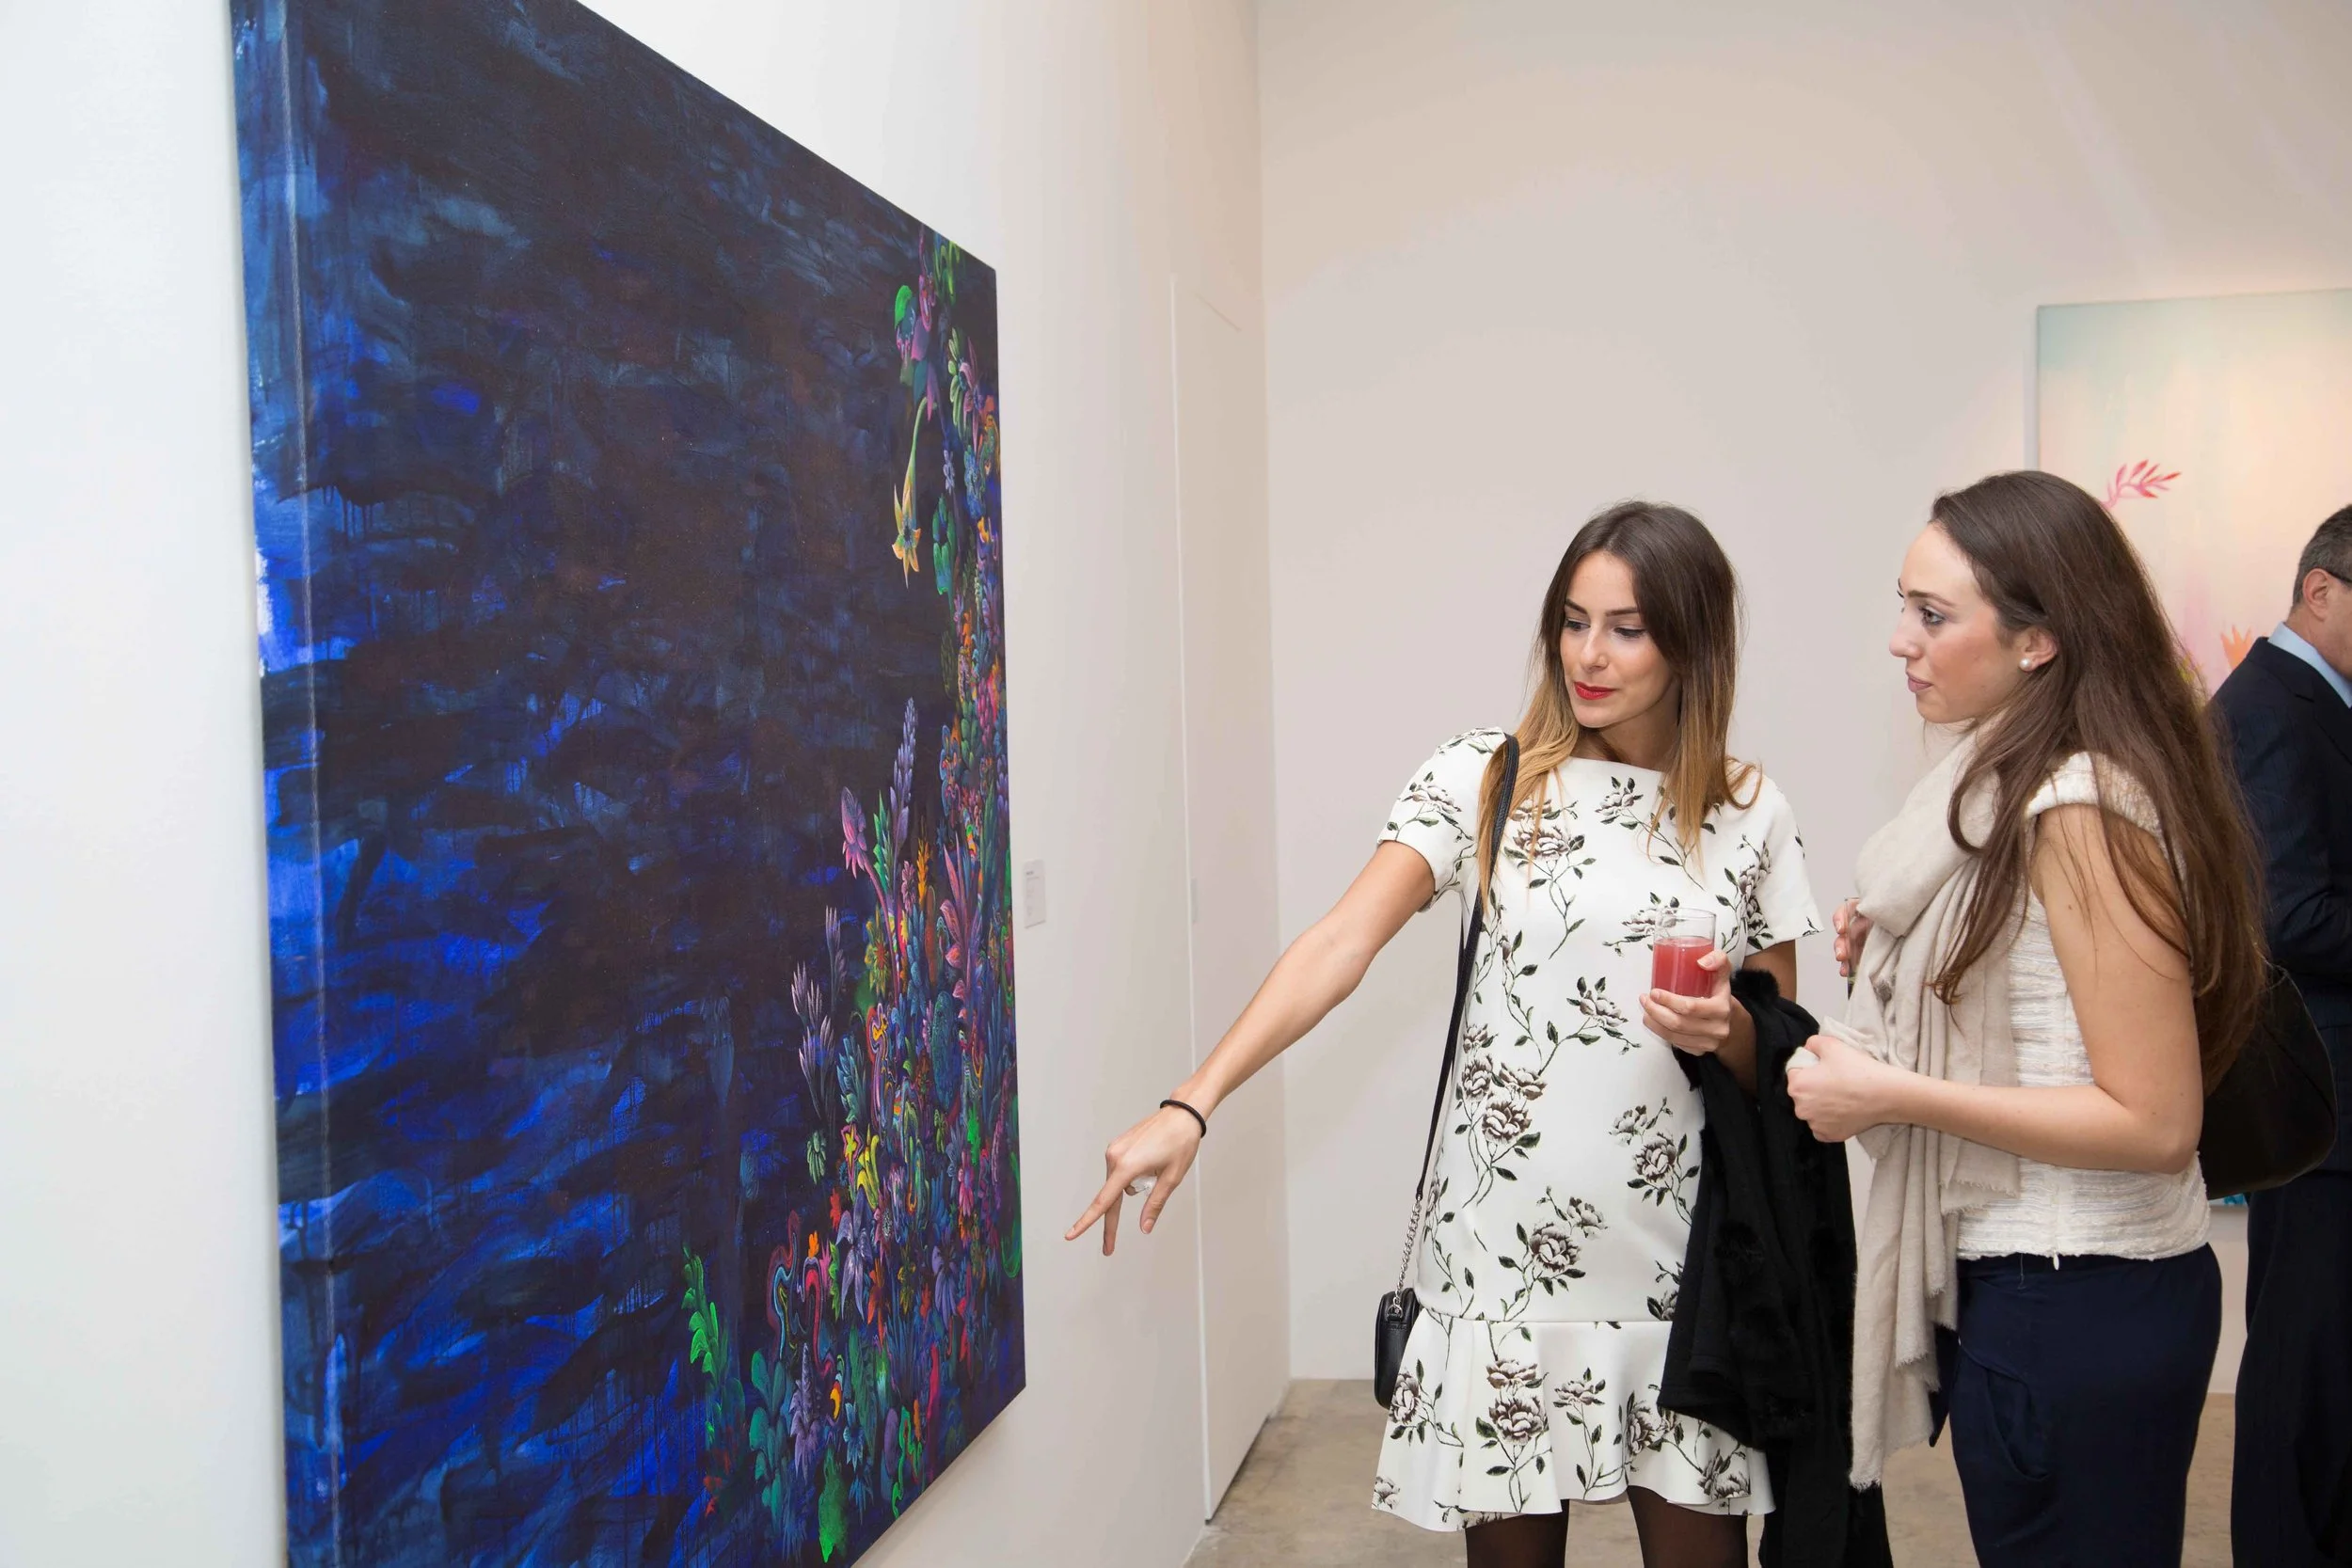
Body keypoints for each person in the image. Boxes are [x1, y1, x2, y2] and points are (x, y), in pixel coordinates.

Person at [1067, 502, 1825, 1568]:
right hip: (1503, 1261)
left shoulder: (1749, 809)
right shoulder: (1487, 775)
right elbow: (1339, 941)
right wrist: (1194, 1097)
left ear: (1693, 641)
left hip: (1678, 1271)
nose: (1588, 655)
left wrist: (1730, 1027)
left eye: (1627, 627)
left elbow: (1780, 1049)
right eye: (1571, 621)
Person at [1789, 470, 2267, 1568]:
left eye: (1933, 614)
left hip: (2075, 1298)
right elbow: (2046, 987)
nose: (1901, 642)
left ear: (2037, 641)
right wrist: (1909, 966)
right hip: (2041, 1289)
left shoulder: (2077, 809)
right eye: (1902, 605)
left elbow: (2153, 1120)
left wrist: (1889, 1091)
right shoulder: (2012, 780)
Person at [2212, 503, 2352, 1567]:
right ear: (2318, 590)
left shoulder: (2315, 701)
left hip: (2334, 1112)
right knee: (2302, 1374)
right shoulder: (2268, 705)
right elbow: (2288, 914)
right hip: (2320, 1110)